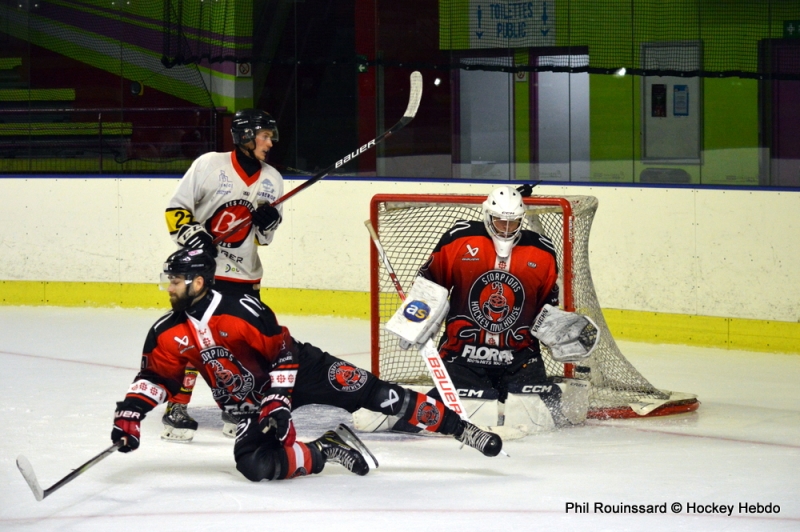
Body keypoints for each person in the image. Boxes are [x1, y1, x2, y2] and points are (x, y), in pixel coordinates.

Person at [110, 249, 502, 483]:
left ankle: (461, 429)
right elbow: (156, 377)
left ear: (198, 281)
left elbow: (284, 354)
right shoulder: (166, 331)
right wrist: (130, 414)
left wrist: (279, 399)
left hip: (303, 370)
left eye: (175, 280)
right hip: (253, 404)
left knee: (378, 394)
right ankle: (326, 449)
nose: (169, 287)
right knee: (255, 465)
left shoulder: (243, 310)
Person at [365, 185, 597, 436]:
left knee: (542, 419)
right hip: (462, 355)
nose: (507, 229)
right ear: (487, 216)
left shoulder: (541, 250)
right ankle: (396, 409)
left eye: (514, 223)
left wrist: (559, 329)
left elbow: (546, 307)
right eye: (500, 222)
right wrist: (413, 320)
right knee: (463, 412)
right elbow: (429, 287)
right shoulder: (459, 239)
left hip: (519, 357)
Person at [162, 109, 287, 441]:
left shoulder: (273, 179)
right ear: (245, 136)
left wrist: (267, 222)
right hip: (206, 274)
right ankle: (176, 405)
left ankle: (237, 403)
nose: (270, 142)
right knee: (191, 340)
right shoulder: (209, 165)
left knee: (243, 347)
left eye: (271, 136)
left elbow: (265, 239)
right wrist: (193, 235)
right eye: (264, 135)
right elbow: (175, 210)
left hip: (245, 276)